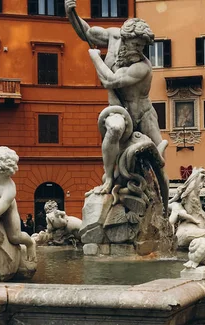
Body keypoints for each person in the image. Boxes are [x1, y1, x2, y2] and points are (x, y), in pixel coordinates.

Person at [65, 0, 167, 193]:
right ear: (125, 38)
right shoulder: (113, 36)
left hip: (143, 113)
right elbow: (87, 32)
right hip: (119, 110)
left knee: (159, 163)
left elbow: (110, 81)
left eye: (143, 46)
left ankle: (164, 204)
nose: (139, 50)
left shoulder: (142, 67)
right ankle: (109, 179)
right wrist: (71, 14)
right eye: (136, 44)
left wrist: (95, 57)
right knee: (114, 129)